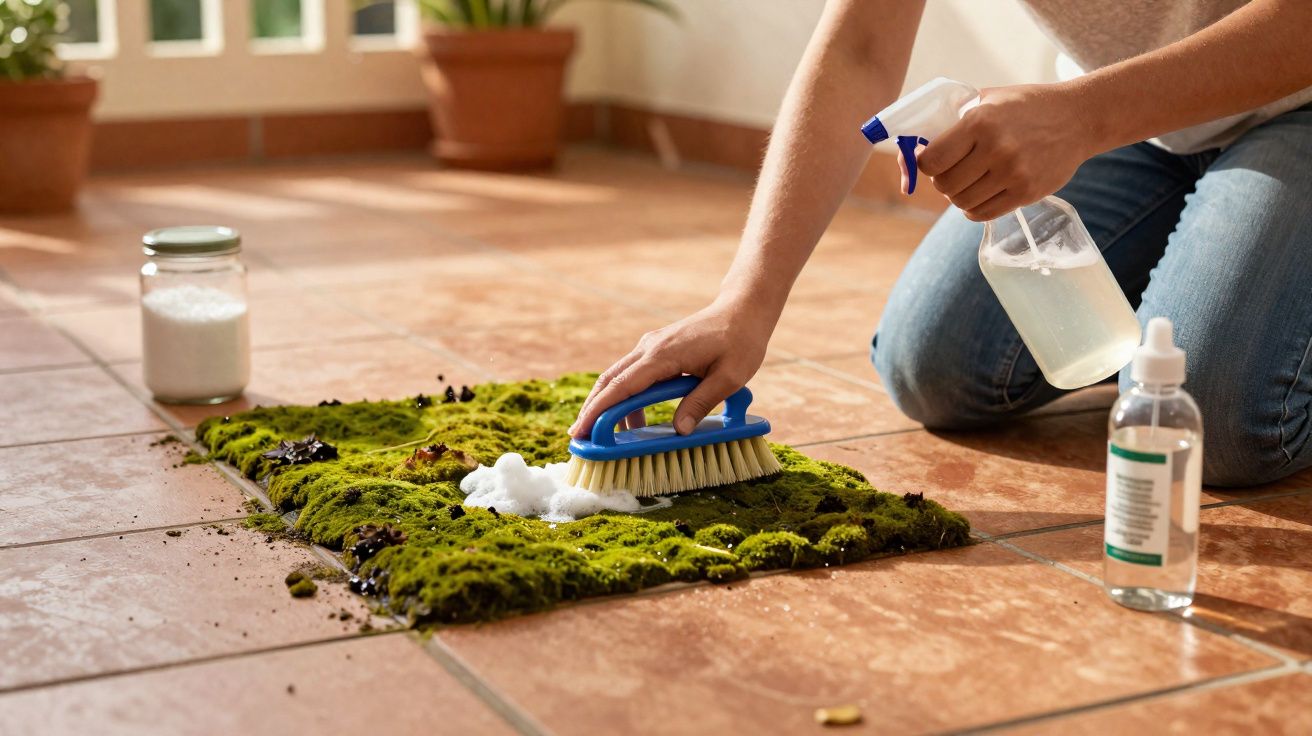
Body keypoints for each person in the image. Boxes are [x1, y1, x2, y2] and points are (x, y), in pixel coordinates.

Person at [570, 0, 1312, 487]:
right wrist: (747, 299)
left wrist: (1085, 117)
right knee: (933, 365)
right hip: (1133, 115)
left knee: (1213, 418)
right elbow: (861, 47)